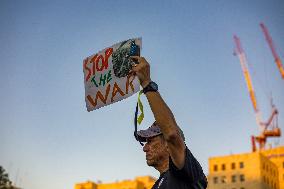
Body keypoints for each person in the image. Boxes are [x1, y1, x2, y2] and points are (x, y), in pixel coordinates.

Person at [130, 56, 207, 189]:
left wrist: (147, 83)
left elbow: (171, 134)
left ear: (167, 145)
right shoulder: (157, 185)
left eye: (150, 141)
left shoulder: (185, 173)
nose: (145, 148)